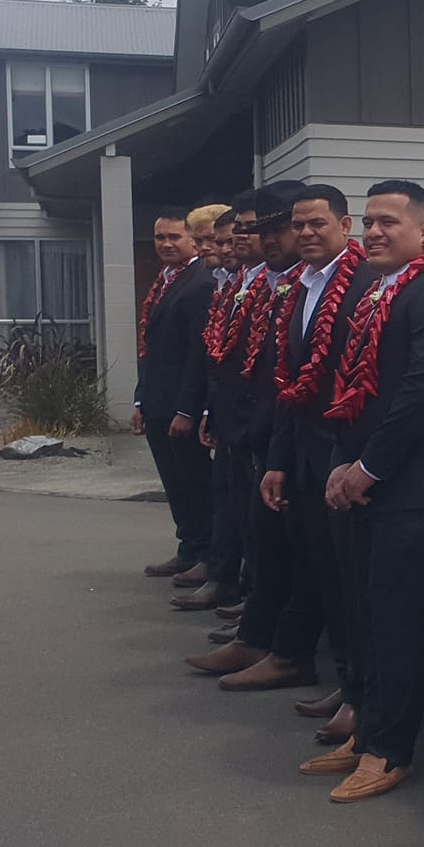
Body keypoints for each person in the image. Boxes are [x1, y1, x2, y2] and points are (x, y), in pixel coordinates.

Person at [300, 180, 424, 802]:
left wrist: (366, 469)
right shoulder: (378, 292)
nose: (374, 232)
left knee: (397, 620)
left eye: (389, 222)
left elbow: (422, 394)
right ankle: (367, 729)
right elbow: (353, 389)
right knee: (363, 615)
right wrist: (338, 460)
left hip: (417, 490)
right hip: (366, 481)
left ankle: (390, 750)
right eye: (369, 221)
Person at [219, 183, 375, 694]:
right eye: (300, 225)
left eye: (317, 224)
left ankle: (356, 688)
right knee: (314, 569)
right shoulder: (300, 286)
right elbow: (289, 384)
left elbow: (370, 385)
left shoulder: (369, 285)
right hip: (303, 456)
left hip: (343, 460)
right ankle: (311, 666)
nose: (305, 234)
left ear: (345, 226)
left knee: (346, 583)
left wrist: (352, 462)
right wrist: (279, 461)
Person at [187, 182, 305, 679]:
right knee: (262, 536)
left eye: (280, 228)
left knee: (285, 548)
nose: (265, 240)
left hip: (295, 441)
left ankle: (280, 647)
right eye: (260, 230)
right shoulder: (279, 283)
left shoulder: (323, 285)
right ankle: (261, 636)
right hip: (258, 431)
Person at [175, 203, 255, 612]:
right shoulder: (226, 282)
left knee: (247, 511)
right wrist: (210, 410)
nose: (218, 248)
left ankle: (238, 584)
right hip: (225, 413)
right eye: (209, 241)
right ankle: (225, 577)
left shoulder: (244, 284)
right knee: (226, 501)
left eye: (224, 240)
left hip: (251, 420)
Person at [136, 210, 215, 578]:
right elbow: (151, 347)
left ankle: (203, 551)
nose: (166, 244)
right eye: (159, 238)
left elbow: (197, 353)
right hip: (156, 400)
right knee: (174, 483)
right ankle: (188, 544)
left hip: (180, 406)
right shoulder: (165, 281)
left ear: (192, 240)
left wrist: (187, 409)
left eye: (174, 237)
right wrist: (140, 400)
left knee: (194, 483)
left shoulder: (201, 283)